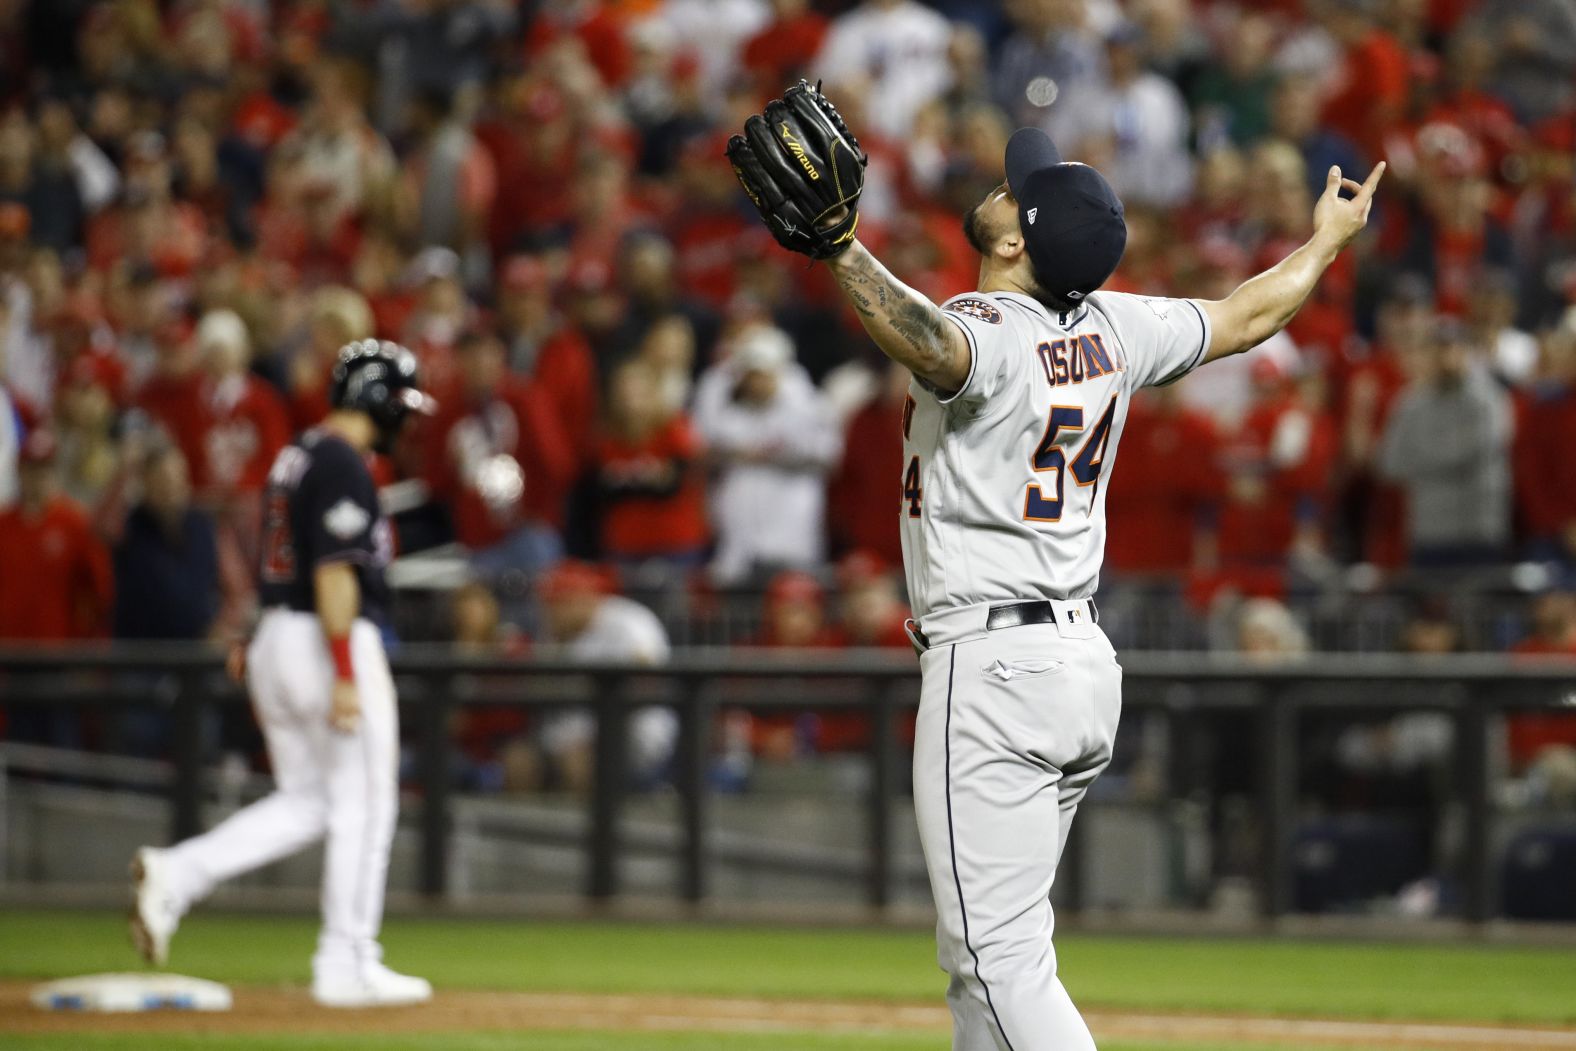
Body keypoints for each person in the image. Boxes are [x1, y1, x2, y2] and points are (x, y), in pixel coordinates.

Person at [728, 84, 1382, 1049]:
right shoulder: (1116, 328)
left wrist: (840, 251)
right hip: (1076, 668)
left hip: (992, 669)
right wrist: (1326, 241)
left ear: (1015, 244)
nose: (1001, 188)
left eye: (1014, 192)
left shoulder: (991, 328)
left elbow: (940, 347)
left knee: (999, 963)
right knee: (985, 965)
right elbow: (1246, 316)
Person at [130, 340, 436, 1008]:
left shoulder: (296, 454)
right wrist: (347, 670)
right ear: (376, 400)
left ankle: (177, 874)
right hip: (323, 639)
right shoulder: (339, 461)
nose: (407, 421)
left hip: (277, 633)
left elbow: (282, 557)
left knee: (310, 801)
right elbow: (331, 571)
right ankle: (347, 960)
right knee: (366, 804)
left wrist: (258, 631)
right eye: (401, 405)